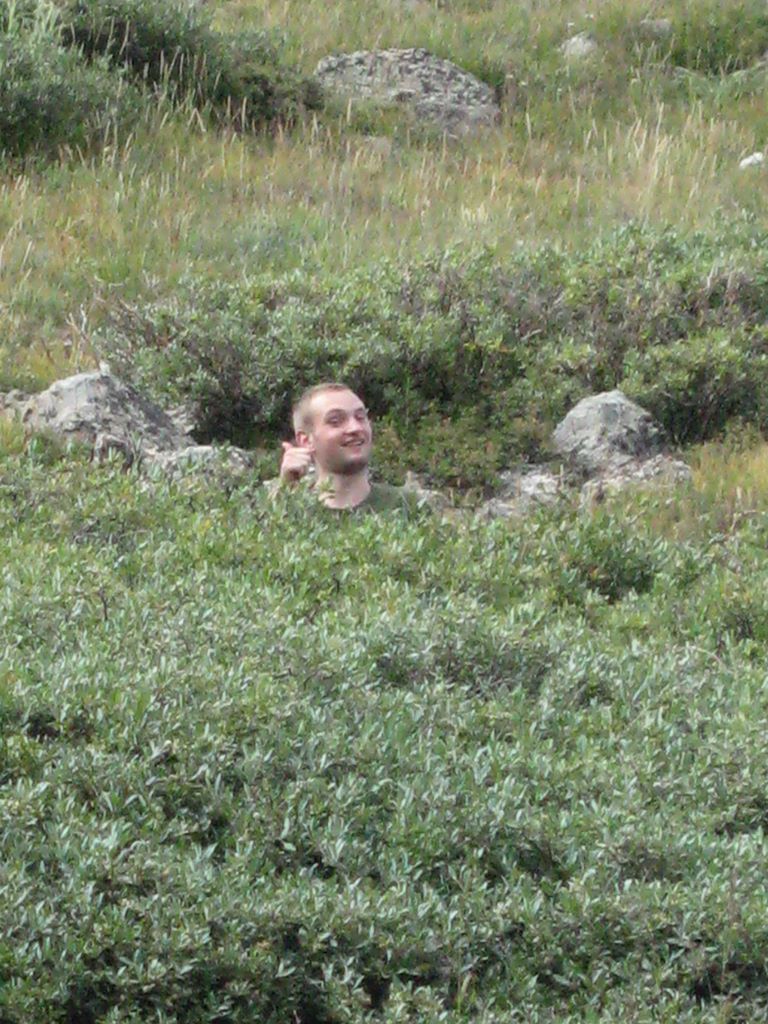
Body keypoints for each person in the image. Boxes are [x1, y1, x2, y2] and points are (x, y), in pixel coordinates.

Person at [277, 382, 417, 512]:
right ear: (306, 440)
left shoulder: (410, 506)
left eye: (360, 417)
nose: (355, 428)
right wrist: (285, 489)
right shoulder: (291, 511)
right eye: (335, 421)